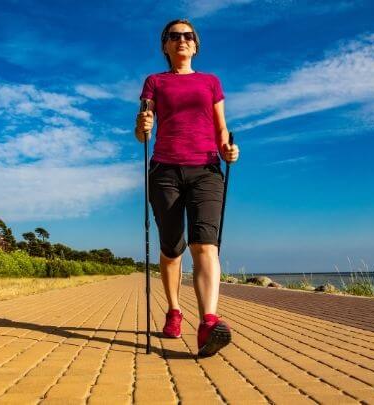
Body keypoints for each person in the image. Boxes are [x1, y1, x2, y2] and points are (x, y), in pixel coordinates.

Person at [135, 19, 240, 357]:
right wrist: (142, 125)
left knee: (204, 244)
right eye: (174, 36)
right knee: (172, 248)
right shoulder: (155, 82)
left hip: (207, 170)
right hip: (165, 170)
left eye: (188, 36)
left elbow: (221, 128)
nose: (181, 40)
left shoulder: (211, 82)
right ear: (165, 46)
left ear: (196, 45)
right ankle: (174, 310)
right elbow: (143, 132)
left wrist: (228, 149)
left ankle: (208, 323)